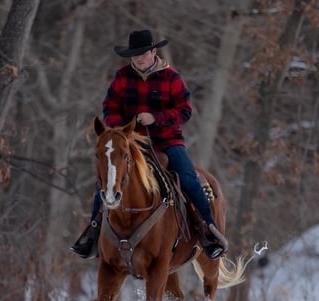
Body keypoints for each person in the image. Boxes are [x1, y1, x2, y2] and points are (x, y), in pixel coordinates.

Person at [70, 29, 229, 260]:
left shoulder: (171, 77)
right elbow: (109, 109)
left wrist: (156, 118)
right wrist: (125, 126)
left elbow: (184, 111)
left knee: (188, 178)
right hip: (132, 142)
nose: (138, 59)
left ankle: (208, 231)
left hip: (167, 141)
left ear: (153, 52)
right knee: (107, 180)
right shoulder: (122, 76)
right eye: (134, 56)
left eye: (142, 54)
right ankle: (92, 233)